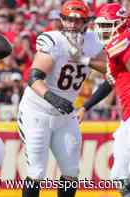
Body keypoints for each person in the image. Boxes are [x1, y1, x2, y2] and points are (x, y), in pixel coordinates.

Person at [17, 1, 107, 197]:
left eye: (77, 21)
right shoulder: (53, 40)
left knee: (71, 172)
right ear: (61, 20)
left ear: (86, 22)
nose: (72, 25)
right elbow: (33, 78)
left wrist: (84, 59)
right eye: (68, 20)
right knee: (37, 172)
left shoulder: (93, 42)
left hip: (66, 116)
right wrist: (53, 99)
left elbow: (111, 72)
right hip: (37, 112)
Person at [77, 3, 130, 197]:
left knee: (121, 176)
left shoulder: (122, 41)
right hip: (127, 117)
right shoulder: (117, 45)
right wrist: (85, 107)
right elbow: (110, 80)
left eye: (107, 26)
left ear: (121, 23)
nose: (102, 31)